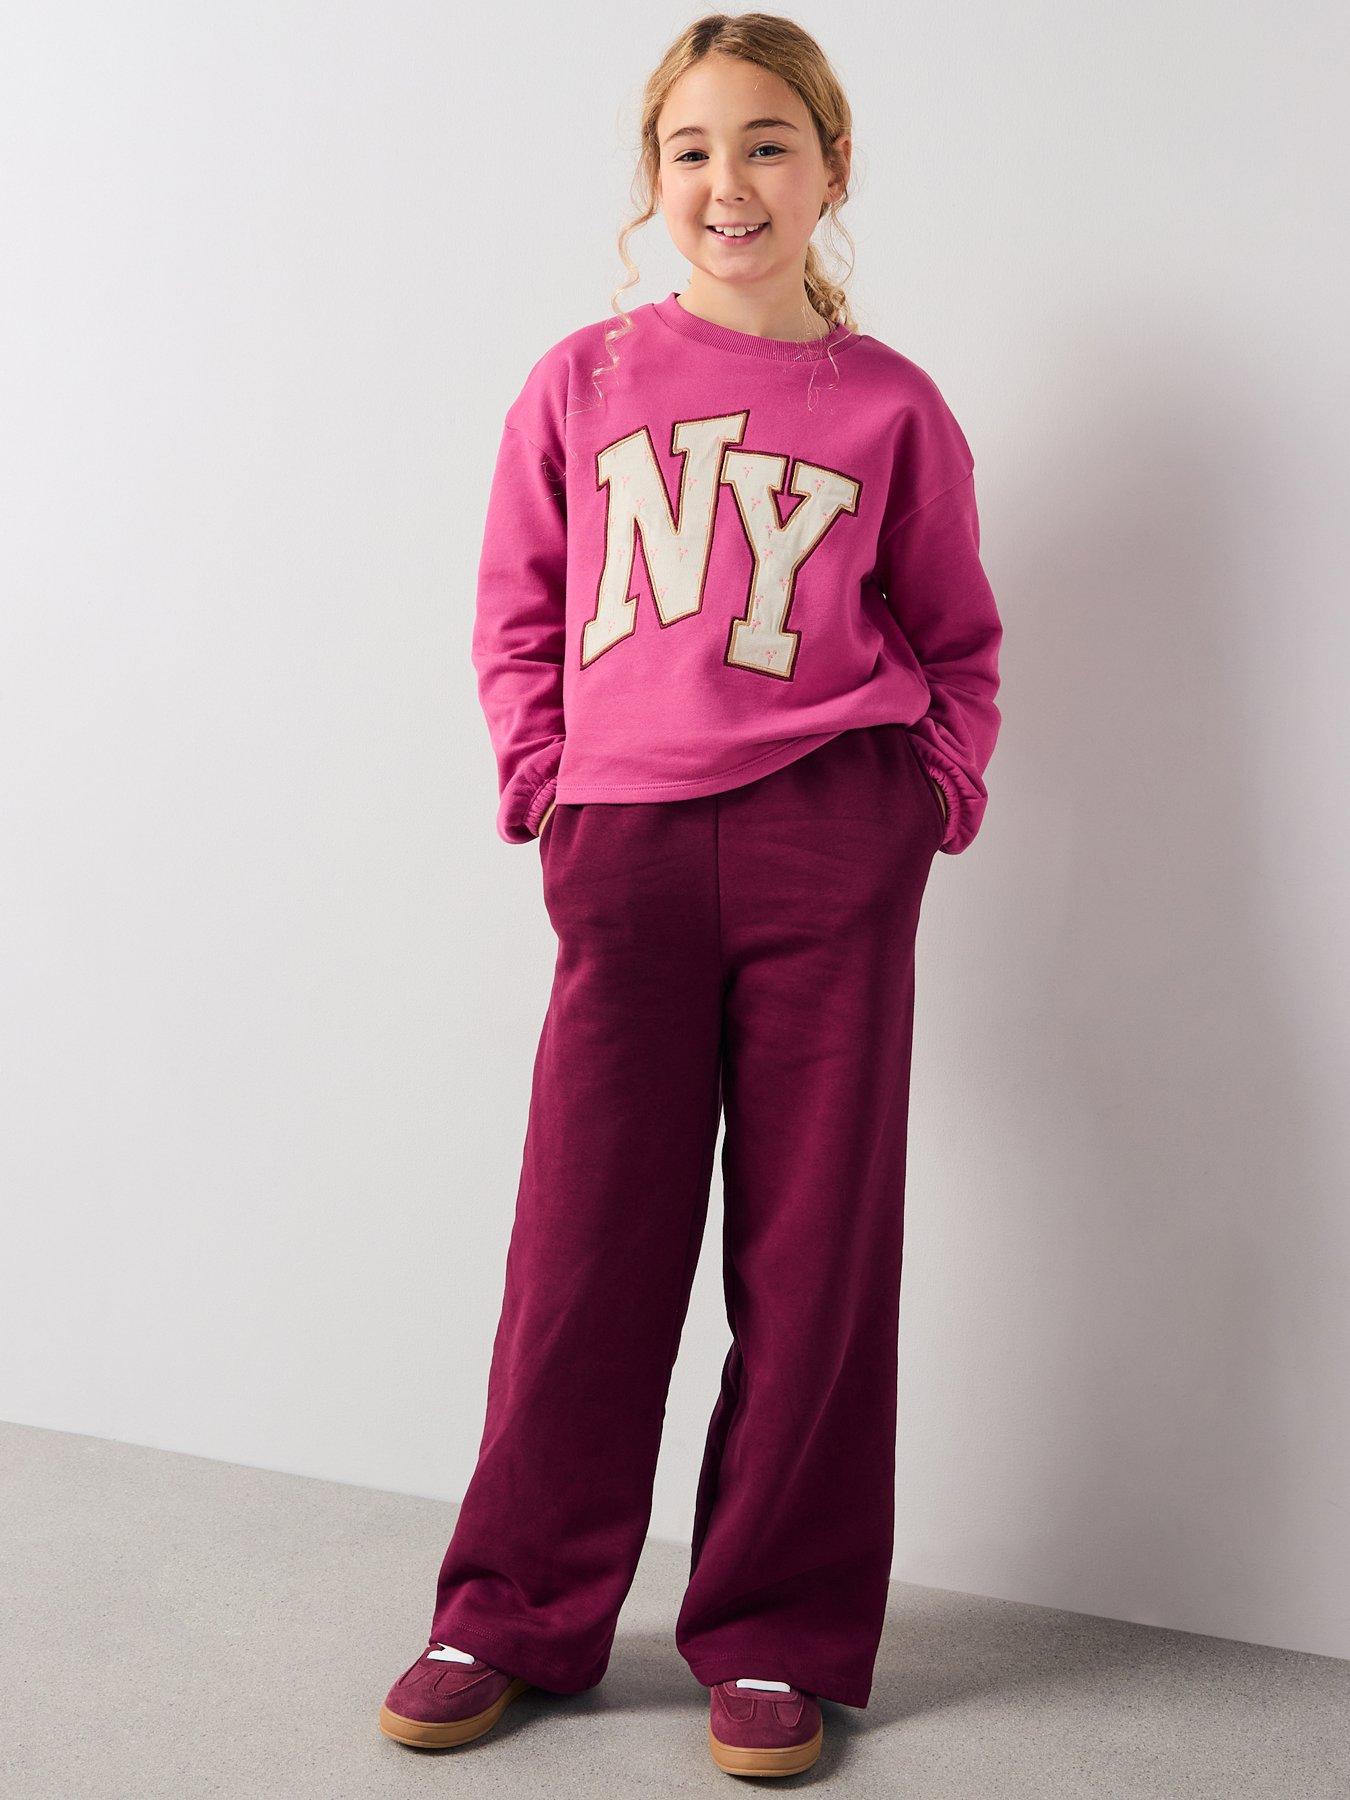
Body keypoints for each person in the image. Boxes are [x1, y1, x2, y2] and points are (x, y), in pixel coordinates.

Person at [378, 10, 1002, 1778]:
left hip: (831, 838)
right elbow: (516, 611)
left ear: (831, 168)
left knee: (814, 1256)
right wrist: (542, 785)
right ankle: (509, 1609)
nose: (729, 183)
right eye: (692, 151)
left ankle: (777, 1633)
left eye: (767, 144)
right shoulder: (579, 382)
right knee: (585, 1246)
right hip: (628, 849)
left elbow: (956, 636)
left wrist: (927, 795)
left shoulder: (890, 405)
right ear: (652, 180)